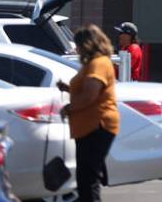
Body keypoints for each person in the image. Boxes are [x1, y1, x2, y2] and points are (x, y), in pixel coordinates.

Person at [58, 25, 119, 202]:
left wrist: (70, 108)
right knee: (86, 178)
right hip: (89, 127)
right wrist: (69, 89)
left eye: (78, 44)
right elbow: (90, 91)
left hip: (97, 126)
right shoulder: (94, 63)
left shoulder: (98, 63)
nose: (76, 49)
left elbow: (90, 95)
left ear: (88, 43)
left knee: (88, 179)